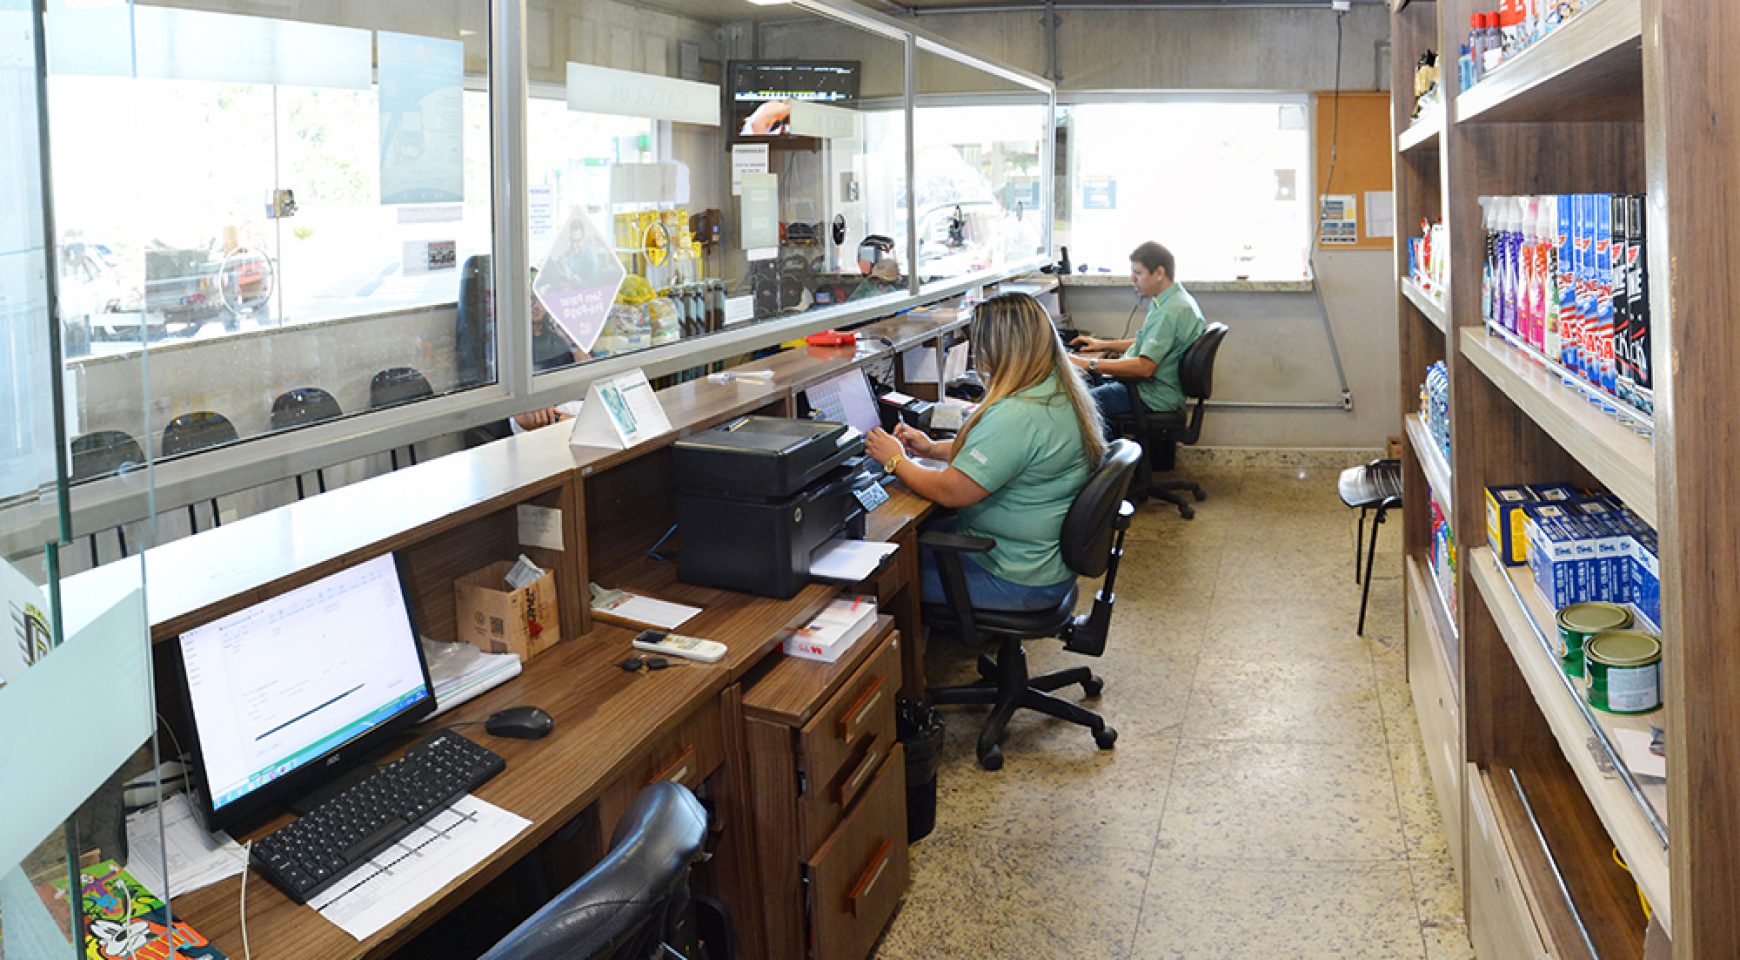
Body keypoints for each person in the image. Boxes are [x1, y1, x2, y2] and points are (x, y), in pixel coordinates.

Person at [863, 292, 1105, 612]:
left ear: (997, 349)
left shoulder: (1017, 414)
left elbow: (951, 491)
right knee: (921, 535)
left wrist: (895, 460)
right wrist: (931, 449)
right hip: (1038, 560)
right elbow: (1007, 456)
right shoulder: (1053, 390)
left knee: (884, 575)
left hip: (1015, 577)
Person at [1068, 241, 1206, 427]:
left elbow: (1145, 367)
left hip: (1150, 395)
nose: (1132, 279)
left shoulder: (1169, 312)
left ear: (1159, 273)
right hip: (1152, 389)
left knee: (1074, 406)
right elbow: (1150, 342)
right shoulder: (1174, 300)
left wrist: (1088, 363)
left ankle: (1103, 446)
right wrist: (1103, 344)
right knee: (1087, 386)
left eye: (1138, 273)